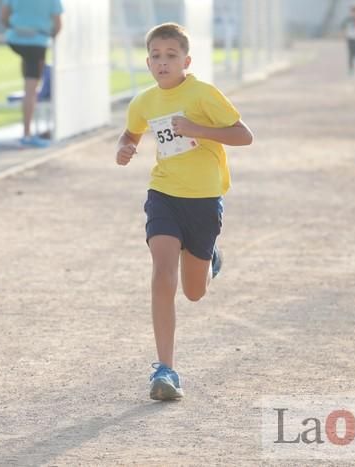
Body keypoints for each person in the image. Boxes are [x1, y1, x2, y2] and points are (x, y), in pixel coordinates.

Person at [115, 23, 253, 401]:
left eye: (171, 56)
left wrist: (197, 128)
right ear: (148, 62)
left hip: (205, 200)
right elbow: (131, 133)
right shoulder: (143, 101)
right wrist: (123, 149)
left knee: (194, 292)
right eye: (156, 56)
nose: (163, 63)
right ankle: (166, 369)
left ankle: (210, 261)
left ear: (186, 60)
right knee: (162, 272)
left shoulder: (203, 95)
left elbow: (244, 135)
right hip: (164, 193)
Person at [1, 0, 62, 147]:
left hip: (15, 39)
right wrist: (47, 34)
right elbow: (58, 25)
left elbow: (4, 17)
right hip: (37, 43)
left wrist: (19, 29)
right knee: (31, 90)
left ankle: (28, 74)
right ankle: (27, 134)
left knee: (28, 72)